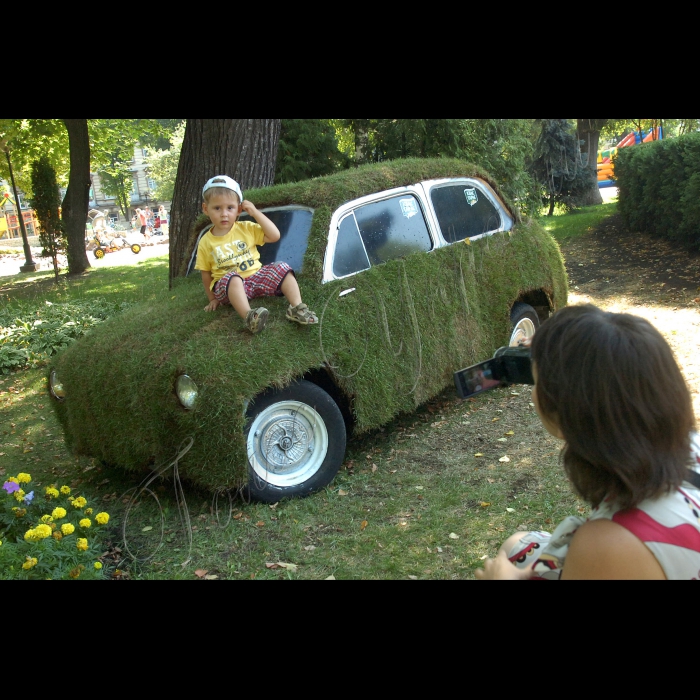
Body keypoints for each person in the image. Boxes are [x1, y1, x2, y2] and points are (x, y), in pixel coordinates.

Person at [475, 304, 700, 580]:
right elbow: (617, 362)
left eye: (537, 383)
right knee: (517, 543)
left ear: (567, 415)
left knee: (514, 551)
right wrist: (567, 342)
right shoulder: (682, 443)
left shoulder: (606, 546)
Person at [194, 175, 318, 334]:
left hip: (256, 277)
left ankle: (296, 308)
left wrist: (256, 213)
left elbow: (274, 236)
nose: (224, 214)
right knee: (233, 277)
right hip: (228, 287)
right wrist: (212, 299)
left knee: (281, 267)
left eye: (230, 208)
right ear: (206, 209)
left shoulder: (246, 227)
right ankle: (250, 317)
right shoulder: (206, 242)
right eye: (217, 208)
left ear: (239, 209)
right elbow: (206, 274)